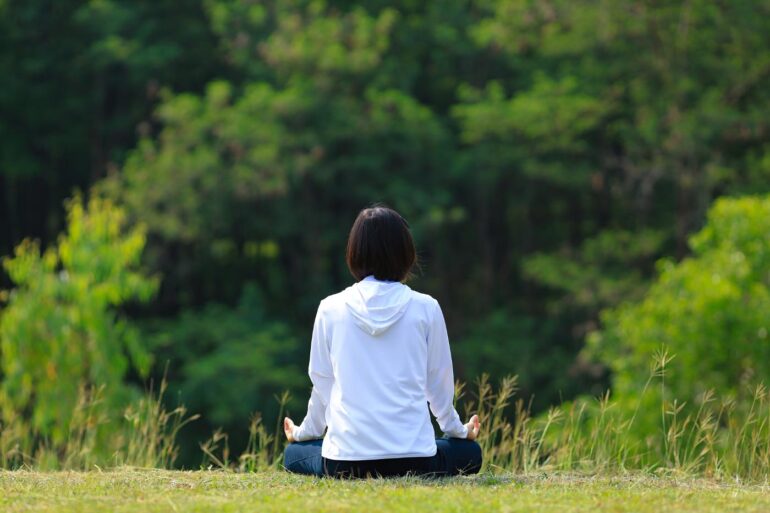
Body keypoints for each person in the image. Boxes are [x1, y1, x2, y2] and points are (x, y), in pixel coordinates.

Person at [282, 204, 482, 479]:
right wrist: (459, 431)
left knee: (293, 454)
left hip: (346, 464)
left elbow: (323, 386)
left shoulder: (330, 308)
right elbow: (438, 385)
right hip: (415, 461)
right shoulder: (426, 308)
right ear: (405, 253)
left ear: (354, 253)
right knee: (471, 453)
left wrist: (304, 433)